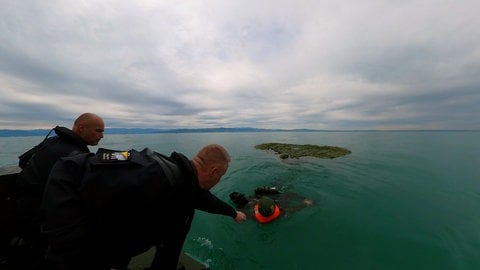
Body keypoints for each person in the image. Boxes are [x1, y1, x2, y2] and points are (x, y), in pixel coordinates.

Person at [41, 144, 246, 270]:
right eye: (221, 176)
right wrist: (69, 238)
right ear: (214, 171)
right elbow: (71, 165)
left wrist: (232, 213)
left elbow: (204, 199)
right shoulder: (145, 167)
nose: (219, 180)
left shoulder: (185, 187)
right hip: (75, 251)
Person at [11, 113, 104, 270]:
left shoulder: (53, 142)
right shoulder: (75, 156)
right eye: (98, 131)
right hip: (43, 221)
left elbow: (23, 161)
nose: (102, 136)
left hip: (23, 210)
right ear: (81, 128)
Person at [229, 186, 313, 223]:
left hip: (252, 206)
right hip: (275, 204)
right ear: (273, 206)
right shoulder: (281, 210)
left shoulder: (253, 216)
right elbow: (294, 209)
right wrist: (305, 203)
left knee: (255, 194)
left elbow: (242, 215)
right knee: (287, 194)